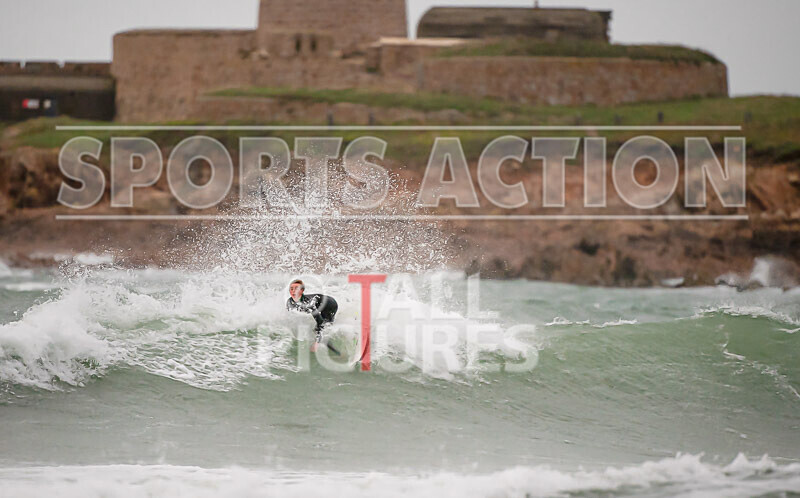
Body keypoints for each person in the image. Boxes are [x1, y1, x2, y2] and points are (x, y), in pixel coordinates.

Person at [286, 279, 340, 354]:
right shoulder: (289, 302)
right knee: (320, 330)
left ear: (302, 290)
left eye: (296, 289)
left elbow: (320, 322)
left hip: (330, 305)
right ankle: (336, 352)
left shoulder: (309, 304)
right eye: (291, 289)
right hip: (321, 302)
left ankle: (338, 353)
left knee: (323, 331)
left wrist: (316, 342)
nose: (293, 291)